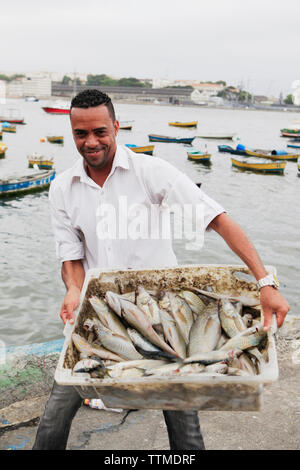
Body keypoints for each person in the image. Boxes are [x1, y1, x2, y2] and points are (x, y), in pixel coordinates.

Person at [33, 89, 289, 450]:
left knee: (184, 426)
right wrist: (73, 289)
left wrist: (265, 282)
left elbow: (216, 218)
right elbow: (71, 256)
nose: (91, 142)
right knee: (54, 418)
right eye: (81, 133)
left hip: (166, 315)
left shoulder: (150, 172)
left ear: (116, 128)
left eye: (100, 132)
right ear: (72, 132)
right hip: (100, 314)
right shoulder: (62, 188)